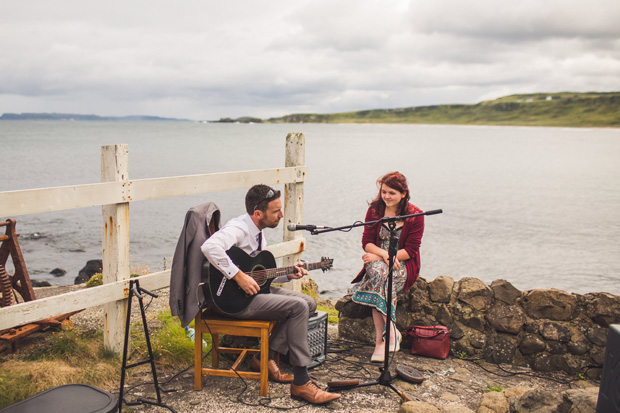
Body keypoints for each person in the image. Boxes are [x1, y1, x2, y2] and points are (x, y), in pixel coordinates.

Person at [201, 184, 341, 404]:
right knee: (298, 308)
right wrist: (238, 276)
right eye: (276, 211)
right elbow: (210, 247)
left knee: (309, 303)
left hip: (251, 293)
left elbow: (261, 277)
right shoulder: (238, 228)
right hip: (232, 301)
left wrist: (288, 276)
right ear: (258, 214)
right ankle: (302, 382)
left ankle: (262, 358)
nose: (282, 215)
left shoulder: (259, 235)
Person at [350, 171, 425, 363]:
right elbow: (366, 241)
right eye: (384, 192)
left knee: (384, 279)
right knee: (378, 273)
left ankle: (380, 342)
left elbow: (411, 250)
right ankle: (390, 333)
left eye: (392, 193)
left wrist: (388, 257)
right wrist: (383, 255)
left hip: (403, 262)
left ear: (403, 193)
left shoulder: (416, 215)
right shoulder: (375, 211)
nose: (386, 197)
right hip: (378, 259)